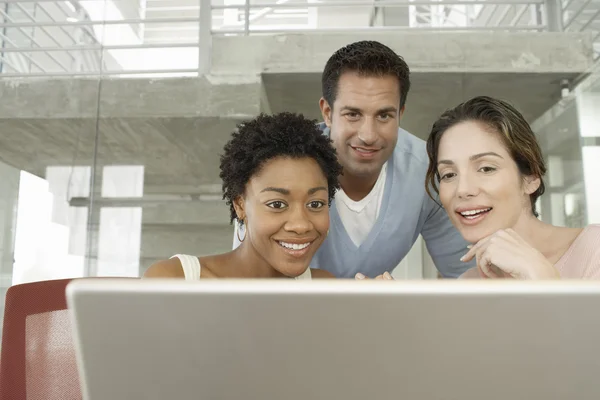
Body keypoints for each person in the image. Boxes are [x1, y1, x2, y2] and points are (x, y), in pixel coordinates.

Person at [234, 40, 474, 279]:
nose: (368, 135)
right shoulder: (276, 163)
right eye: (352, 114)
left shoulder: (431, 173)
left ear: (400, 114)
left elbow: (465, 277)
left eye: (384, 115)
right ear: (327, 112)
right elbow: (249, 280)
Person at [144, 112, 342, 280]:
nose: (301, 226)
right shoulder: (175, 279)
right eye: (277, 204)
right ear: (240, 205)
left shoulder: (325, 287)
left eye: (315, 204)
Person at [424, 95, 600, 279]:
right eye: (449, 174)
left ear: (531, 177)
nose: (463, 190)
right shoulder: (470, 283)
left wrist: (543, 279)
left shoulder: (594, 249)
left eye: (486, 168)